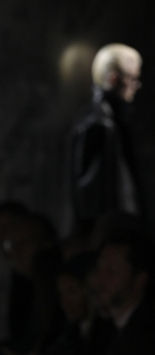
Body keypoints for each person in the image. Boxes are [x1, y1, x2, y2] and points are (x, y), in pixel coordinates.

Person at [69, 44, 144, 231]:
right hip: (111, 236)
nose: (136, 87)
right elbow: (94, 198)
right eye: (132, 79)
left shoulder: (110, 122)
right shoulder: (99, 125)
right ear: (113, 79)